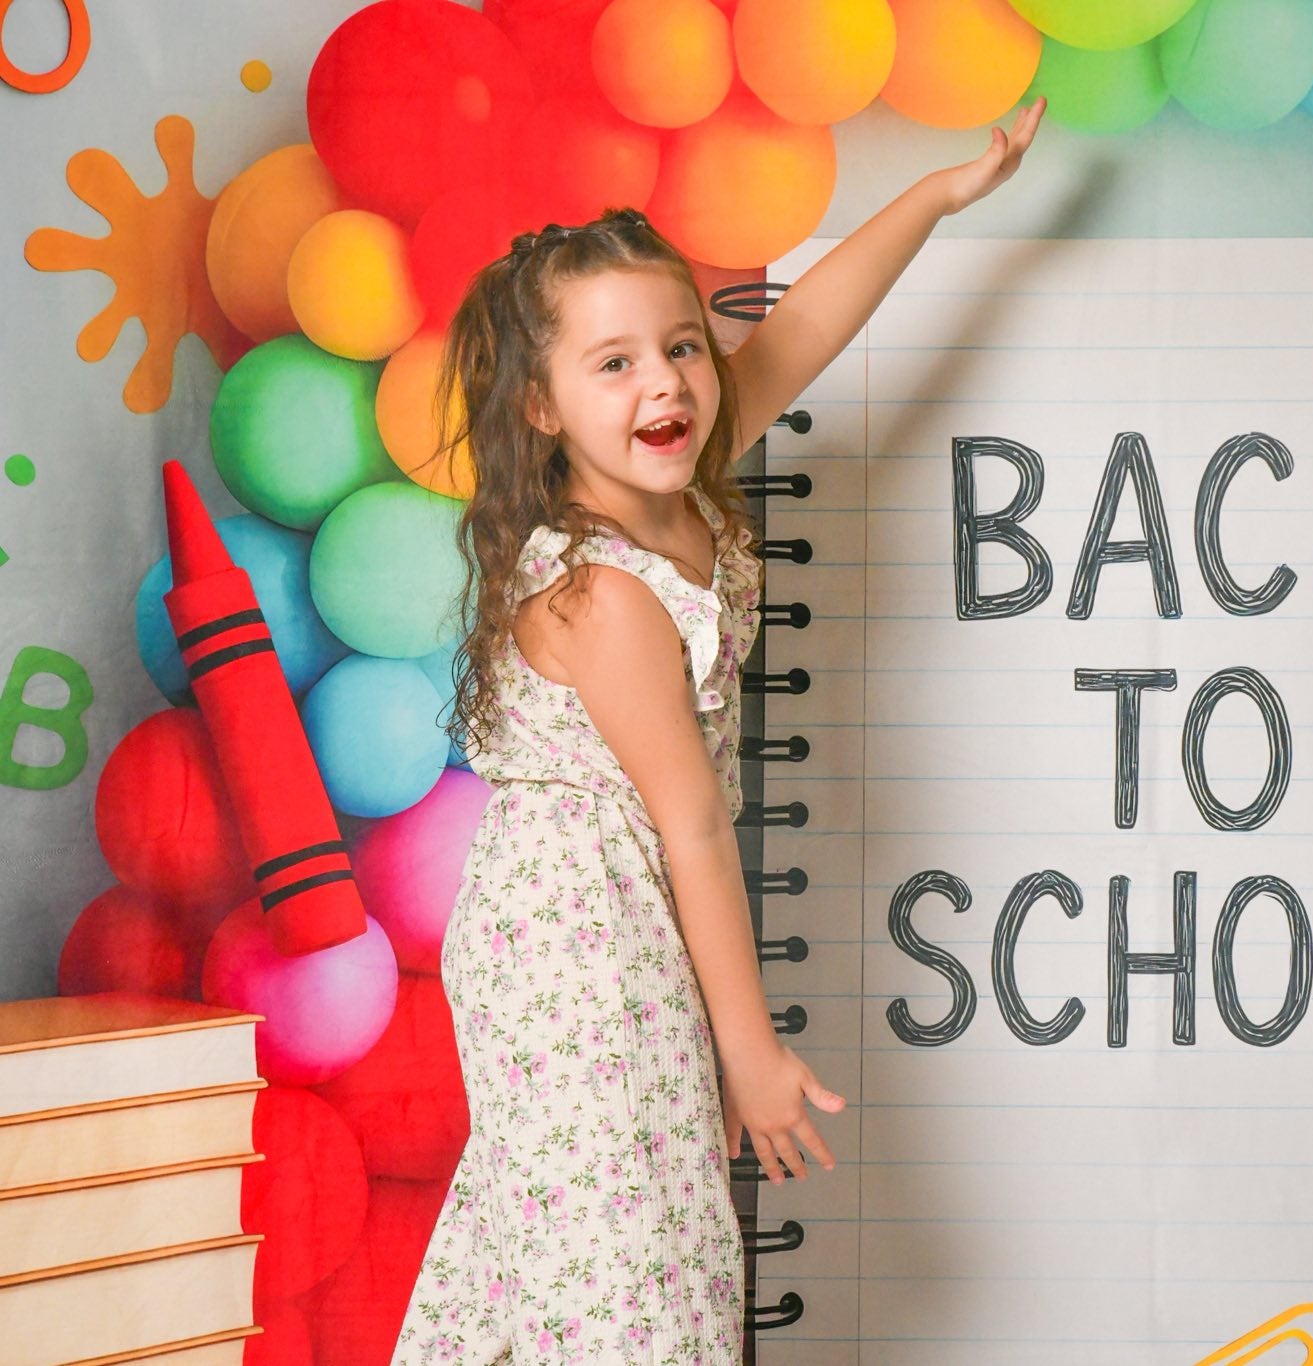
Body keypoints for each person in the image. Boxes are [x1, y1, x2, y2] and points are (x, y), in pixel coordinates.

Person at [393, 97, 1046, 1365]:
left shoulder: (679, 472)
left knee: (575, 1240)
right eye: (615, 363)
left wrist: (939, 198)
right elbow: (690, 823)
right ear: (540, 407)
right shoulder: (606, 592)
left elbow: (804, 322)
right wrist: (749, 1054)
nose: (667, 384)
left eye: (682, 349)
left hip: (616, 914)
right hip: (574, 938)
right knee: (626, 1258)